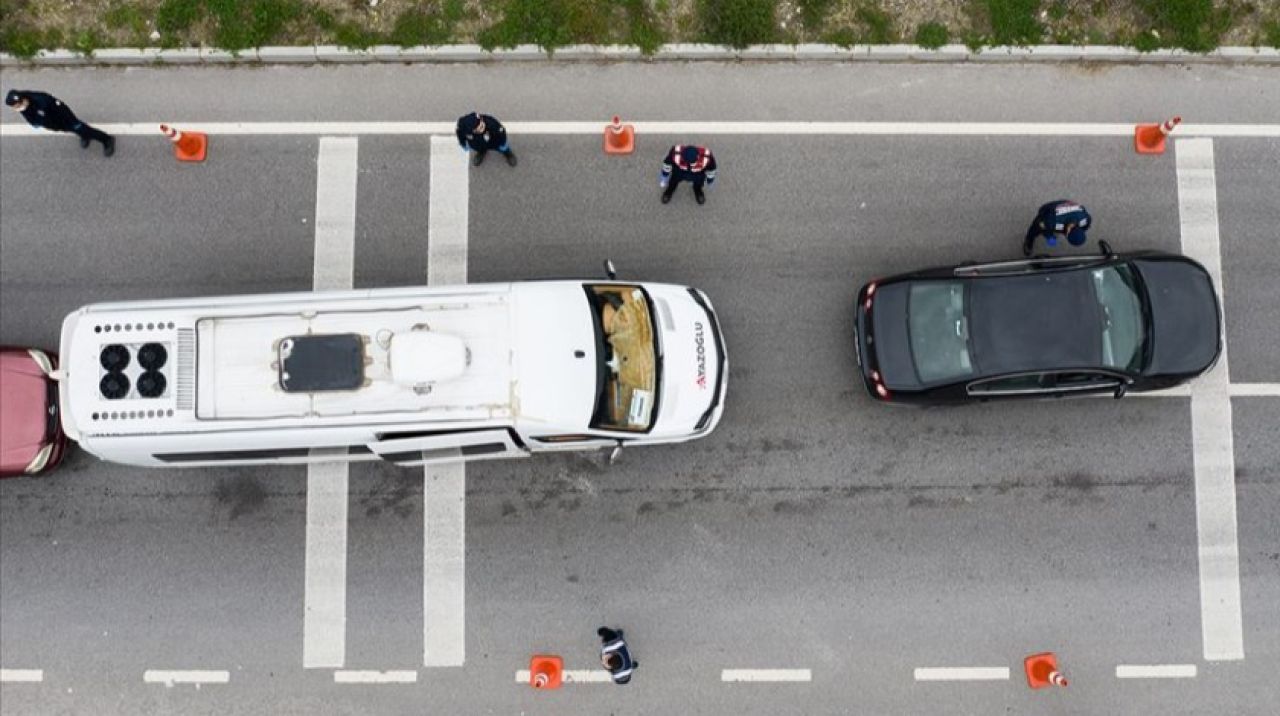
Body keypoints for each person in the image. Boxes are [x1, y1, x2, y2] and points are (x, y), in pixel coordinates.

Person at [5, 89, 115, 157]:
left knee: (82, 128)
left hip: (64, 118)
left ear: (23, 100)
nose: (17, 108)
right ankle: (84, 136)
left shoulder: (42, 100)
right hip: (54, 124)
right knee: (76, 130)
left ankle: (106, 139)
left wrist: (73, 122)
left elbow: (62, 110)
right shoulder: (24, 105)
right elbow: (31, 117)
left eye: (17, 106)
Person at [1023, 200, 1091, 256]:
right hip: (1049, 210)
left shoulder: (1085, 219)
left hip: (1069, 205)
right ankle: (1029, 240)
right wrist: (1049, 237)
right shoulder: (1052, 221)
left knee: (1053, 228)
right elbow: (1042, 226)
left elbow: (1086, 216)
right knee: (1035, 228)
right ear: (1067, 232)